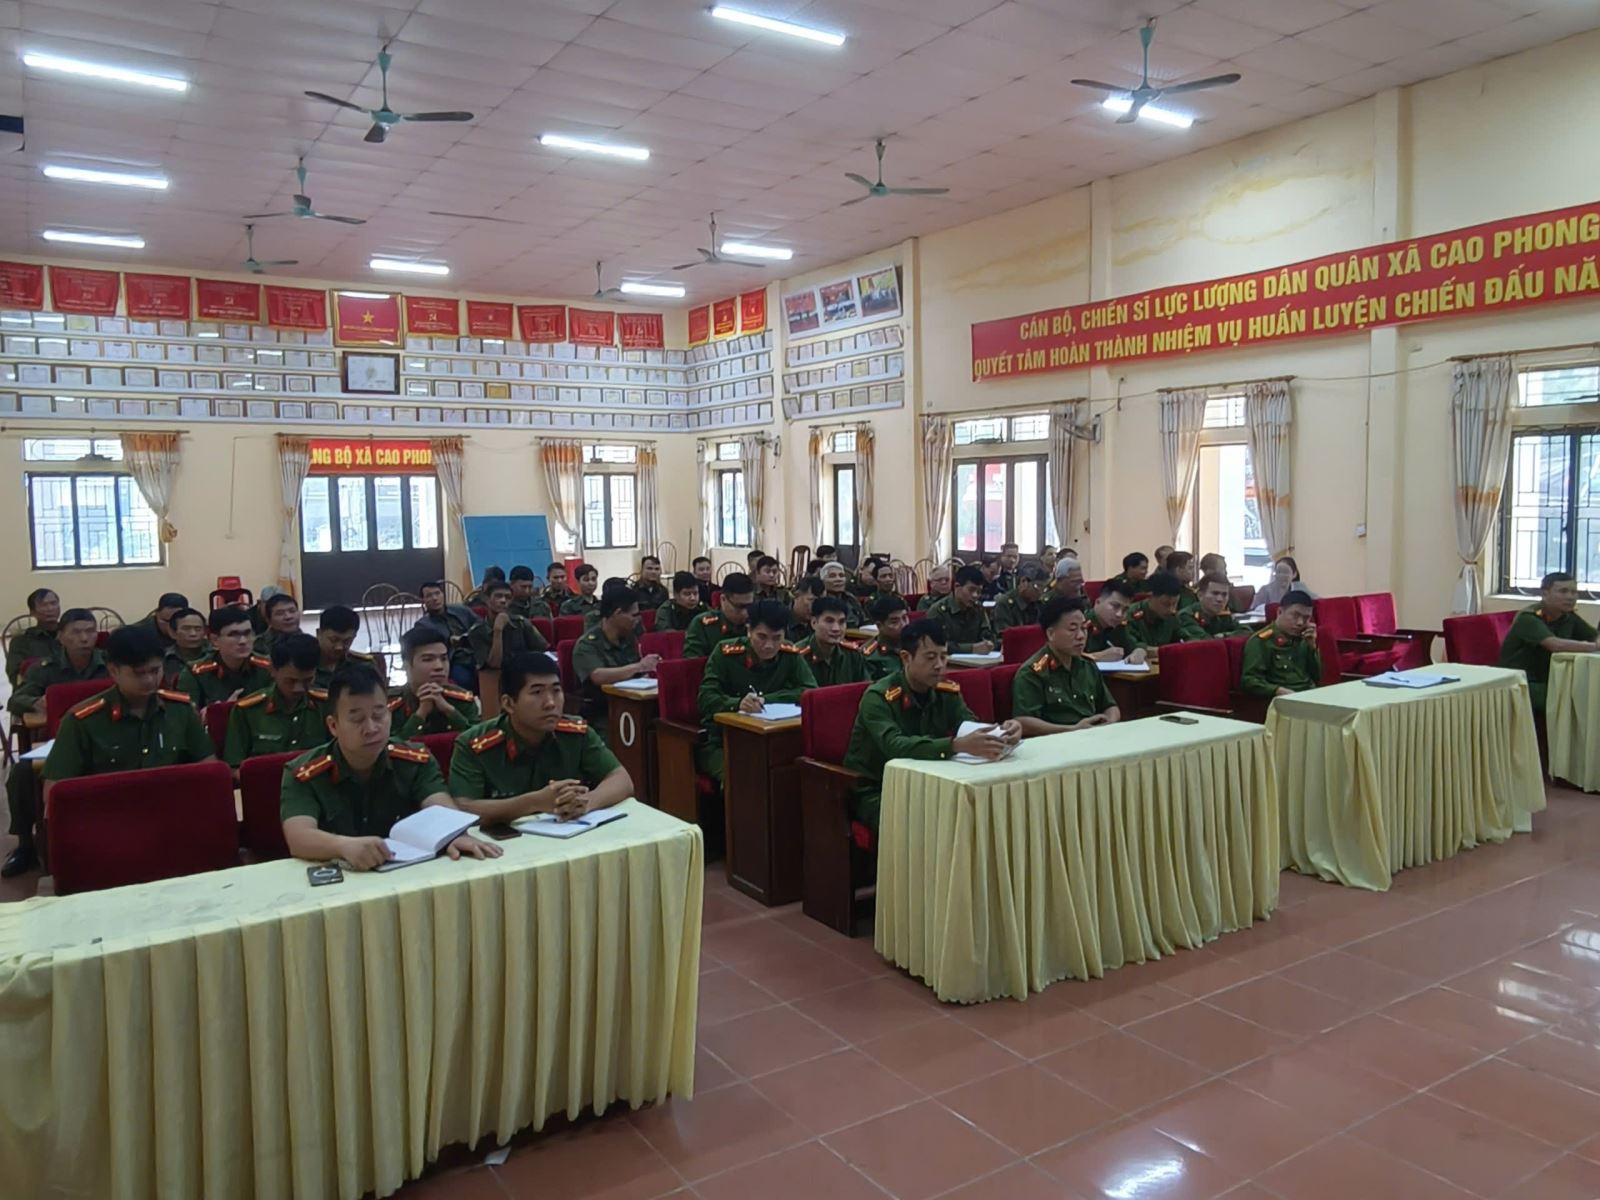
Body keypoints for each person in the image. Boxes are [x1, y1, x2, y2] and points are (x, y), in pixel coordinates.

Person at [279, 665, 501, 871]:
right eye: (357, 720)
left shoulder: (414, 759)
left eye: (379, 715)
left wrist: (453, 834)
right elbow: (299, 837)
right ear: (333, 726)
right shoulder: (304, 772)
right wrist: (343, 846)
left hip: (408, 873)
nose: (371, 728)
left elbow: (440, 806)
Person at [843, 620, 1020, 833]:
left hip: (929, 781)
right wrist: (954, 745)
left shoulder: (945, 690)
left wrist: (1002, 732)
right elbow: (894, 746)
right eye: (930, 657)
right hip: (878, 788)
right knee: (931, 821)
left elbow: (969, 725)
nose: (939, 665)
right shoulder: (879, 697)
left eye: (943, 657)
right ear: (906, 658)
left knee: (983, 809)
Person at [448, 652, 633, 822]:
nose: (550, 703)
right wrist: (534, 802)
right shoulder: (474, 744)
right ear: (509, 703)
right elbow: (463, 808)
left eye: (556, 691)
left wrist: (586, 802)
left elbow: (621, 779)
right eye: (537, 692)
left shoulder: (576, 733)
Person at [43, 626, 214, 784]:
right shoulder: (82, 721)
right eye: (139, 673)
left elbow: (209, 768)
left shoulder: (180, 709)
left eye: (155, 671)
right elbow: (55, 789)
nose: (149, 680)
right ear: (113, 670)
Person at [695, 600, 815, 783]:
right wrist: (737, 704)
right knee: (743, 779)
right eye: (762, 637)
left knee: (792, 775)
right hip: (723, 741)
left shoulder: (789, 654)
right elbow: (706, 698)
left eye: (777, 638)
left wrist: (766, 699)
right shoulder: (725, 654)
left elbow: (810, 692)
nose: (769, 645)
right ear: (749, 630)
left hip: (773, 739)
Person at [1013, 596, 1120, 735]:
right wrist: (1073, 730)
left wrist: (1110, 723)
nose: (1081, 636)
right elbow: (1024, 722)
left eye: (1084, 628)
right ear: (1051, 634)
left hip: (1093, 736)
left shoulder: (1087, 665)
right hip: (1057, 741)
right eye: (1072, 629)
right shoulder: (1033, 672)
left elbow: (1110, 706)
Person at [1498, 571, 1600, 710]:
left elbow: (1594, 635)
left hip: (1551, 678)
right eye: (1563, 591)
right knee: (1580, 698)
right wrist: (1594, 646)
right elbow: (1555, 645)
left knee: (1589, 691)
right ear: (1545, 594)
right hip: (1521, 682)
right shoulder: (1529, 617)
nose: (1570, 597)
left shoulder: (1568, 616)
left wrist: (1597, 641)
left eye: (1574, 592)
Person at [223, 633, 324, 767]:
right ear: (272, 670)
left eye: (307, 680)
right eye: (291, 681)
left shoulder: (327, 706)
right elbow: (234, 767)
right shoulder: (247, 711)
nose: (298, 688)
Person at [572, 586, 659, 738]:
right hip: (602, 713)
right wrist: (639, 667)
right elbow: (597, 676)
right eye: (634, 615)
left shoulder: (629, 638)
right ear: (618, 613)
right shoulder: (587, 644)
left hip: (634, 704)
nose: (638, 619)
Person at [390, 626, 480, 738]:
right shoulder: (390, 706)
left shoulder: (462, 700)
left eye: (444, 659)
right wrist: (420, 715)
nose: (439, 666)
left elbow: (477, 740)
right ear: (406, 666)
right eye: (428, 659)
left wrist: (450, 711)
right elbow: (386, 746)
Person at [177, 605, 274, 706]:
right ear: (214, 640)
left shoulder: (268, 667)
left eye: (247, 633)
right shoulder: (195, 672)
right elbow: (185, 713)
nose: (243, 641)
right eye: (233, 635)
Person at [1240, 590, 1322, 697]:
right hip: (1284, 698)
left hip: (1310, 694)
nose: (1300, 622)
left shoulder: (1305, 638)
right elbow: (1249, 680)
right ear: (1279, 612)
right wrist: (1277, 690)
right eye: (1295, 616)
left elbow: (1317, 677)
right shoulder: (1261, 641)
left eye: (1306, 618)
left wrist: (1312, 648)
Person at [468, 580, 549, 669]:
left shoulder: (520, 622)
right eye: (498, 596)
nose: (503, 600)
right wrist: (498, 630)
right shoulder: (477, 631)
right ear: (486, 599)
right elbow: (494, 664)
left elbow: (543, 648)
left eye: (508, 597)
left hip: (524, 671)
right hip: (496, 675)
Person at [416, 579, 478, 689]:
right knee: (464, 680)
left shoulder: (461, 610)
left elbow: (480, 624)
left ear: (443, 595)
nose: (435, 598)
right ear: (423, 600)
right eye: (429, 596)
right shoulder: (423, 625)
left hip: (476, 653)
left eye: (437, 593)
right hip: (453, 660)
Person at [797, 595, 871, 687]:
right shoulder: (798, 656)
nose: (836, 628)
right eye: (829, 621)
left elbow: (865, 687)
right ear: (814, 623)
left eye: (841, 622)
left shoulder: (852, 654)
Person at [927, 565, 996, 653]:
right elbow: (934, 645)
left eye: (979, 592)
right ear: (957, 586)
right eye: (971, 590)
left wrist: (988, 644)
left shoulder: (978, 609)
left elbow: (987, 635)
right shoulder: (938, 611)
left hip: (978, 659)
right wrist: (970, 648)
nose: (975, 595)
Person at [684, 572, 754, 657]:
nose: (745, 612)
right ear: (723, 599)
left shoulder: (757, 623)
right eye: (739, 607)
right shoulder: (703, 625)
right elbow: (694, 661)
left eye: (749, 606)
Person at [313, 605, 377, 690]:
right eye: (333, 640)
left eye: (347, 641)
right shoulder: (302, 662)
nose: (339, 647)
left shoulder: (363, 666)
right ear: (319, 633)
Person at [1085, 579, 1148, 665]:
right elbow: (1069, 659)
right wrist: (1097, 656)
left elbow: (1135, 645)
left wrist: (1139, 652)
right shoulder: (1081, 624)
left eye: (1125, 610)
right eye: (1115, 606)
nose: (1119, 614)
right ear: (1098, 602)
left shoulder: (1118, 626)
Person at [7, 587, 61, 684]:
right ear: (32, 612)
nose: (50, 608)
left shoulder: (71, 634)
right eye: (43, 605)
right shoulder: (21, 642)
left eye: (53, 603)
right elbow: (16, 677)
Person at [1127, 571, 1187, 649]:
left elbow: (1185, 637)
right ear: (1150, 597)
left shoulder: (1172, 617)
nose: (1171, 610)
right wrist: (1161, 652)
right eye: (1166, 604)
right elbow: (1131, 645)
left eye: (1175, 604)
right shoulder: (1131, 614)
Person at [1182, 574, 1246, 639]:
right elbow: (1204, 641)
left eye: (1224, 595)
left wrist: (1225, 635)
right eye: (1215, 593)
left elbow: (1246, 631)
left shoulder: (1224, 614)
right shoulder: (1186, 616)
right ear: (1200, 595)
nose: (1220, 599)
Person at [860, 594, 908, 679]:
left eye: (905, 618)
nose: (903, 625)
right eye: (894, 622)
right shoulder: (869, 656)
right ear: (879, 625)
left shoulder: (917, 646)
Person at [990, 562, 1047, 633]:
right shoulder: (1005, 604)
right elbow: (1003, 634)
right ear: (1023, 581)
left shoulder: (1040, 605)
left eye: (1043, 588)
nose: (1041, 591)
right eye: (1037, 586)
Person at [164, 606, 210, 684]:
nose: (193, 634)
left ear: (205, 632)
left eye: (198, 629)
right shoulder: (164, 657)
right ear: (173, 633)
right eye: (186, 629)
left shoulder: (218, 654)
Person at [819, 562, 867, 627]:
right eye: (832, 576)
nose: (838, 579)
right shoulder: (818, 600)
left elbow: (864, 620)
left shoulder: (851, 599)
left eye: (841, 576)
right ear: (823, 580)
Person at [787, 576, 822, 642]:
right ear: (796, 595)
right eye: (811, 600)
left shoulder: (820, 624)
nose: (816, 606)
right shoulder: (780, 621)